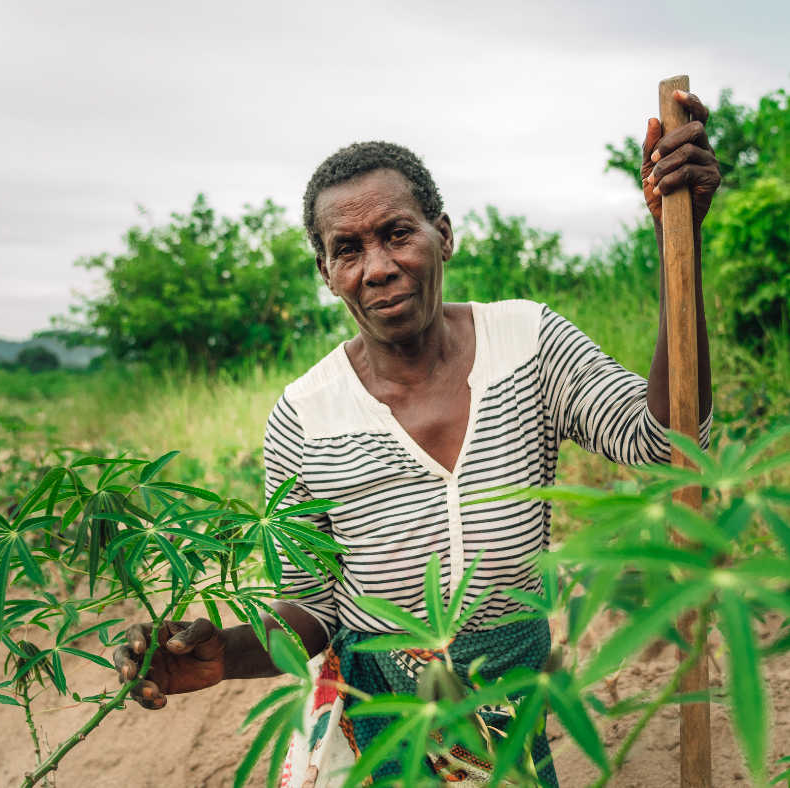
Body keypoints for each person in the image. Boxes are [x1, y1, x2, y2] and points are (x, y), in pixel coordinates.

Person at [114, 90, 721, 787]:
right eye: (348, 249)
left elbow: (665, 438)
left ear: (444, 234)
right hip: (384, 715)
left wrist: (682, 241)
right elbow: (312, 607)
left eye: (397, 233)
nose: (377, 265)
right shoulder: (304, 416)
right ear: (327, 274)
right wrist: (223, 654)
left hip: (509, 698)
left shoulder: (526, 343)